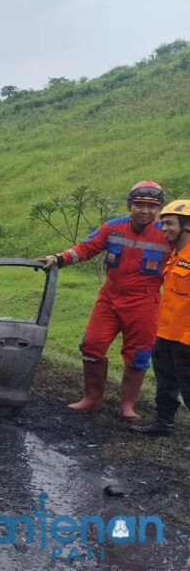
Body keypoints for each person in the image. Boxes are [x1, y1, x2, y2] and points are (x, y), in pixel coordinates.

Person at [36, 181, 168, 420]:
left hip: (145, 303)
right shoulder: (113, 227)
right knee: (91, 346)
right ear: (130, 205)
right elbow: (86, 248)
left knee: (138, 355)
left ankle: (127, 406)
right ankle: (92, 399)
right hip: (109, 298)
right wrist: (59, 258)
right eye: (139, 205)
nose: (145, 211)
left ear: (159, 209)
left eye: (152, 206)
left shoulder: (166, 234)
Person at [131, 200, 190, 436]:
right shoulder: (175, 254)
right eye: (163, 223)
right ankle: (163, 424)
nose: (163, 228)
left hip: (186, 338)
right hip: (166, 333)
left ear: (187, 226)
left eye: (168, 223)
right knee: (165, 382)